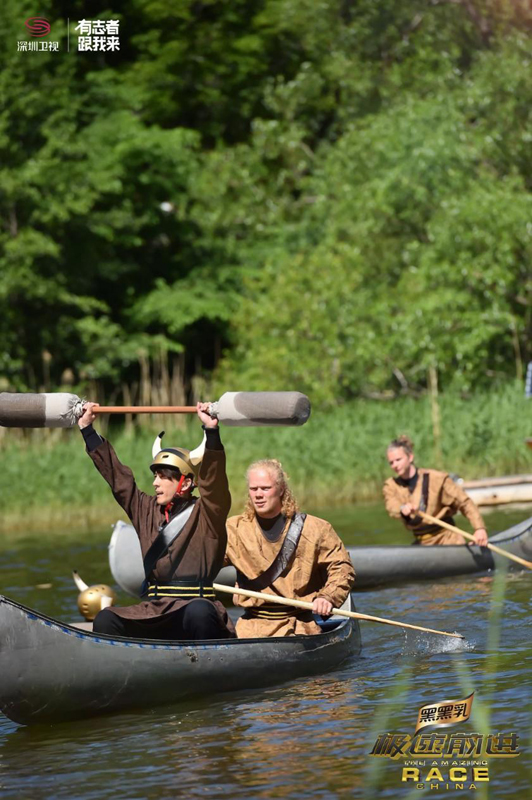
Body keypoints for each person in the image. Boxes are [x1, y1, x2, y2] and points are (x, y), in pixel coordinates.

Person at [78, 401, 235, 640]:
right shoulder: (145, 508)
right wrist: (88, 431)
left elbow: (214, 485)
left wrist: (211, 432)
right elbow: (119, 480)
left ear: (185, 482)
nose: (155, 483)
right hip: (156, 610)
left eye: (163, 477)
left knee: (199, 611)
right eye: (155, 476)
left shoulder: (208, 512)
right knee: (106, 618)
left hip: (195, 608)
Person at [225, 459, 355, 638]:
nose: (258, 495)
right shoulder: (234, 529)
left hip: (301, 628)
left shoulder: (315, 528)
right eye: (253, 489)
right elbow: (205, 561)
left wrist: (327, 597)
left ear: (280, 489)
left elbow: (342, 567)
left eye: (265, 488)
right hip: (249, 630)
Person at [383, 435, 489, 546]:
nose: (395, 465)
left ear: (410, 457)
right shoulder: (391, 486)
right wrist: (402, 508)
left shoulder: (436, 479)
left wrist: (479, 528)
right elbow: (391, 505)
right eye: (391, 462)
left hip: (447, 539)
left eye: (398, 460)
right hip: (422, 542)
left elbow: (464, 502)